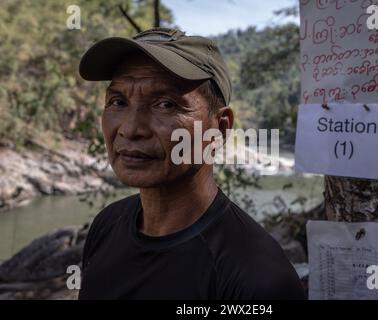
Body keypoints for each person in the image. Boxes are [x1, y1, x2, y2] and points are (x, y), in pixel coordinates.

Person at [77, 27, 305, 300]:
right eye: (118, 101)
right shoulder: (108, 224)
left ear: (219, 129)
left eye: (166, 104)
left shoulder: (255, 279)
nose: (131, 128)